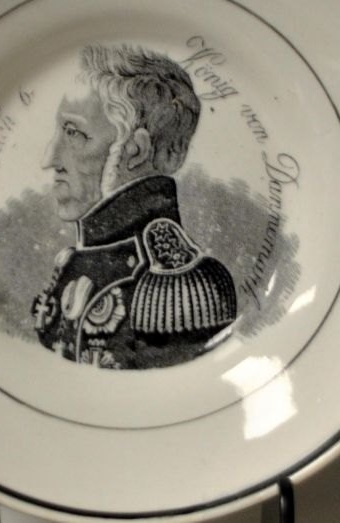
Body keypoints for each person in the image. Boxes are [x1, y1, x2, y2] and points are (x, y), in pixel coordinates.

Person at [31, 45, 236, 369]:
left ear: (135, 151)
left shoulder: (183, 283)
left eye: (74, 133)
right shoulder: (73, 262)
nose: (49, 159)